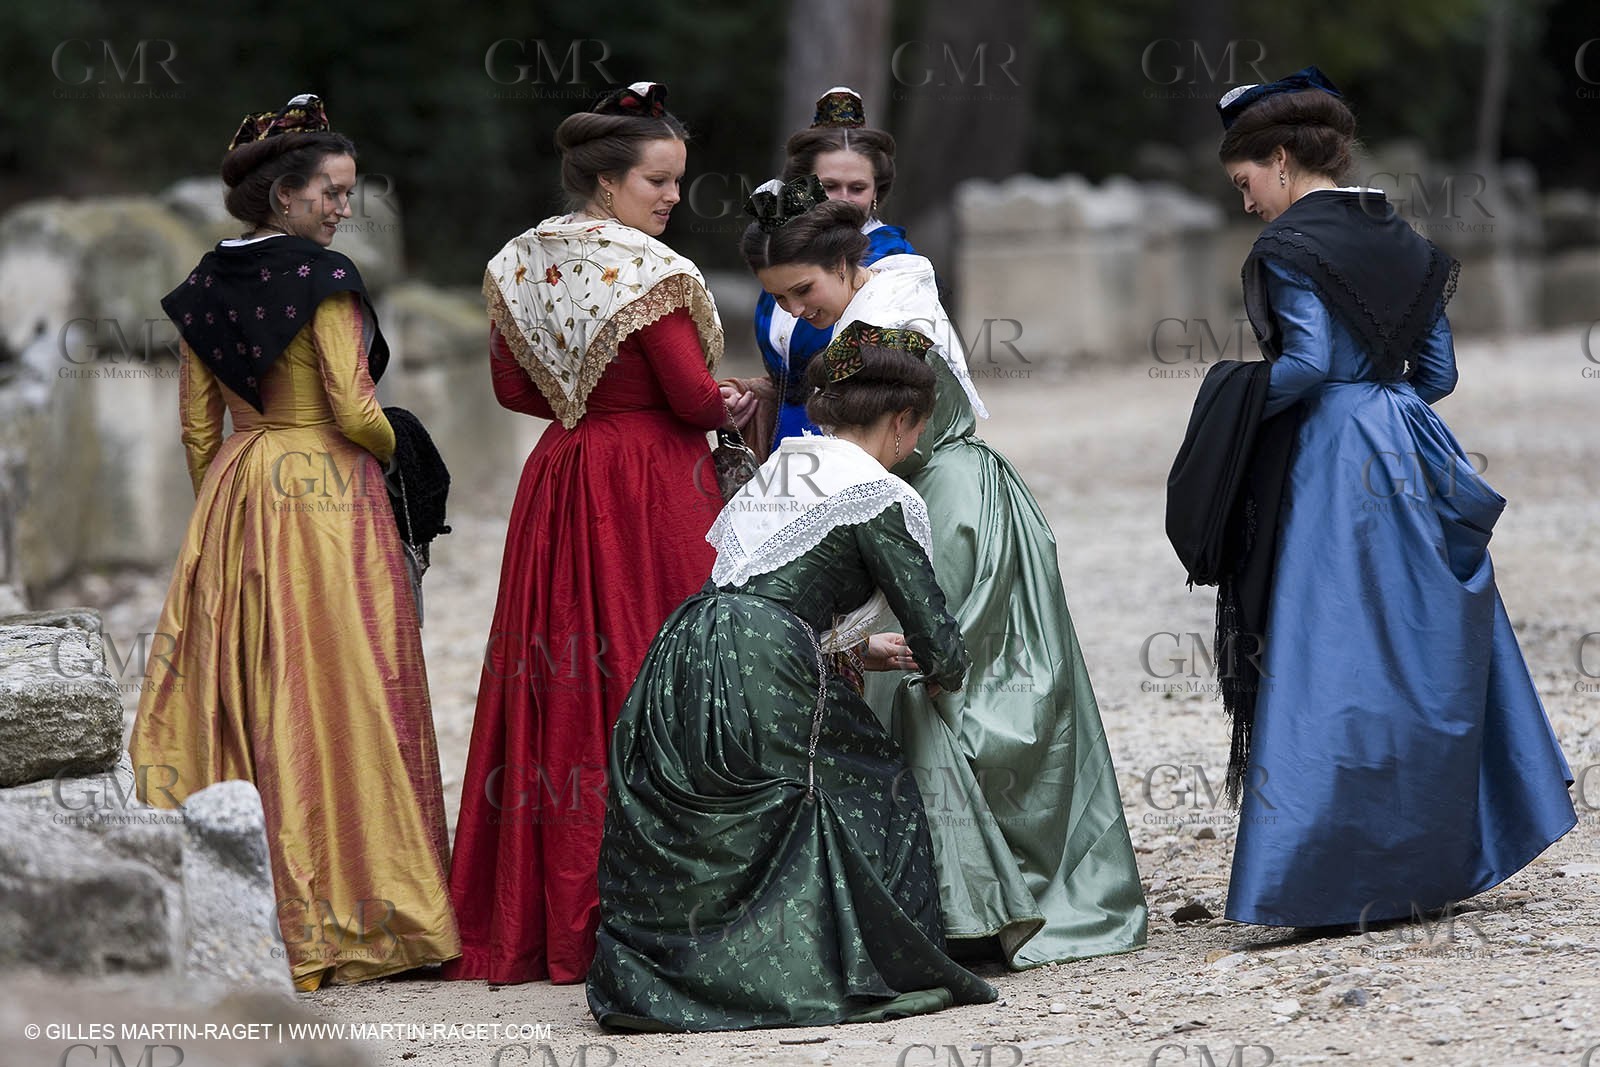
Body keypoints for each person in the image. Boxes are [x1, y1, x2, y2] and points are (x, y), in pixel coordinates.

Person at [741, 177, 1148, 968]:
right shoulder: (886, 294)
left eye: (802, 290)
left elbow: (884, 447)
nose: (796, 311)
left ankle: (967, 902)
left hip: (947, 510)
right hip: (945, 494)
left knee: (933, 683)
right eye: (780, 300)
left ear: (842, 261)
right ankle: (965, 896)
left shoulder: (886, 321)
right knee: (941, 683)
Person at [1203, 68, 1576, 928]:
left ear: (1283, 160)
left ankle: (1326, 872)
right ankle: (1431, 853)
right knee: (1420, 648)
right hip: (1407, 446)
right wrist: (1385, 408)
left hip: (1335, 456)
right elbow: (1438, 374)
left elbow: (1308, 366)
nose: (1248, 202)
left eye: (1246, 182)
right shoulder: (1407, 240)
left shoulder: (1288, 248)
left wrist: (1228, 399)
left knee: (1330, 651)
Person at [130, 93, 459, 990]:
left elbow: (199, 430)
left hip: (238, 490)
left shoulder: (203, 285)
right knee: (338, 684)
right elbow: (354, 410)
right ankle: (363, 915)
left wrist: (228, 512)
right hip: (325, 493)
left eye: (348, 192)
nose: (344, 208)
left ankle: (250, 906)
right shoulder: (325, 280)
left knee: (248, 683)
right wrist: (409, 448)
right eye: (331, 192)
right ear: (283, 197)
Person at [587, 322, 996, 1031]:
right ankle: (846, 963)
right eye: (918, 428)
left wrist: (865, 653)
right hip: (764, 655)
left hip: (691, 640)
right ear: (905, 421)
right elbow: (931, 623)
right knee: (870, 783)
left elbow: (767, 584)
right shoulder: (876, 491)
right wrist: (945, 672)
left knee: (714, 806)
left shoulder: (786, 465)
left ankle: (674, 975)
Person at [446, 81, 731, 986]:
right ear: (607, 181)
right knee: (664, 657)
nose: (673, 197)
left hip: (563, 474)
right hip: (653, 479)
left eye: (678, 180)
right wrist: (741, 402)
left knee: (563, 675)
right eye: (658, 180)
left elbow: (512, 390)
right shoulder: (651, 272)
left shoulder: (521, 261)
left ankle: (544, 915)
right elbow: (692, 398)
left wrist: (586, 405)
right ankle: (675, 899)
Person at [723, 87, 917, 456]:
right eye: (829, 186)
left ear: (878, 190)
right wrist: (750, 393)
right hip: (784, 439)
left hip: (851, 445)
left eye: (857, 187)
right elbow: (788, 371)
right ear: (803, 187)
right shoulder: (786, 255)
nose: (843, 199)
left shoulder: (895, 264)